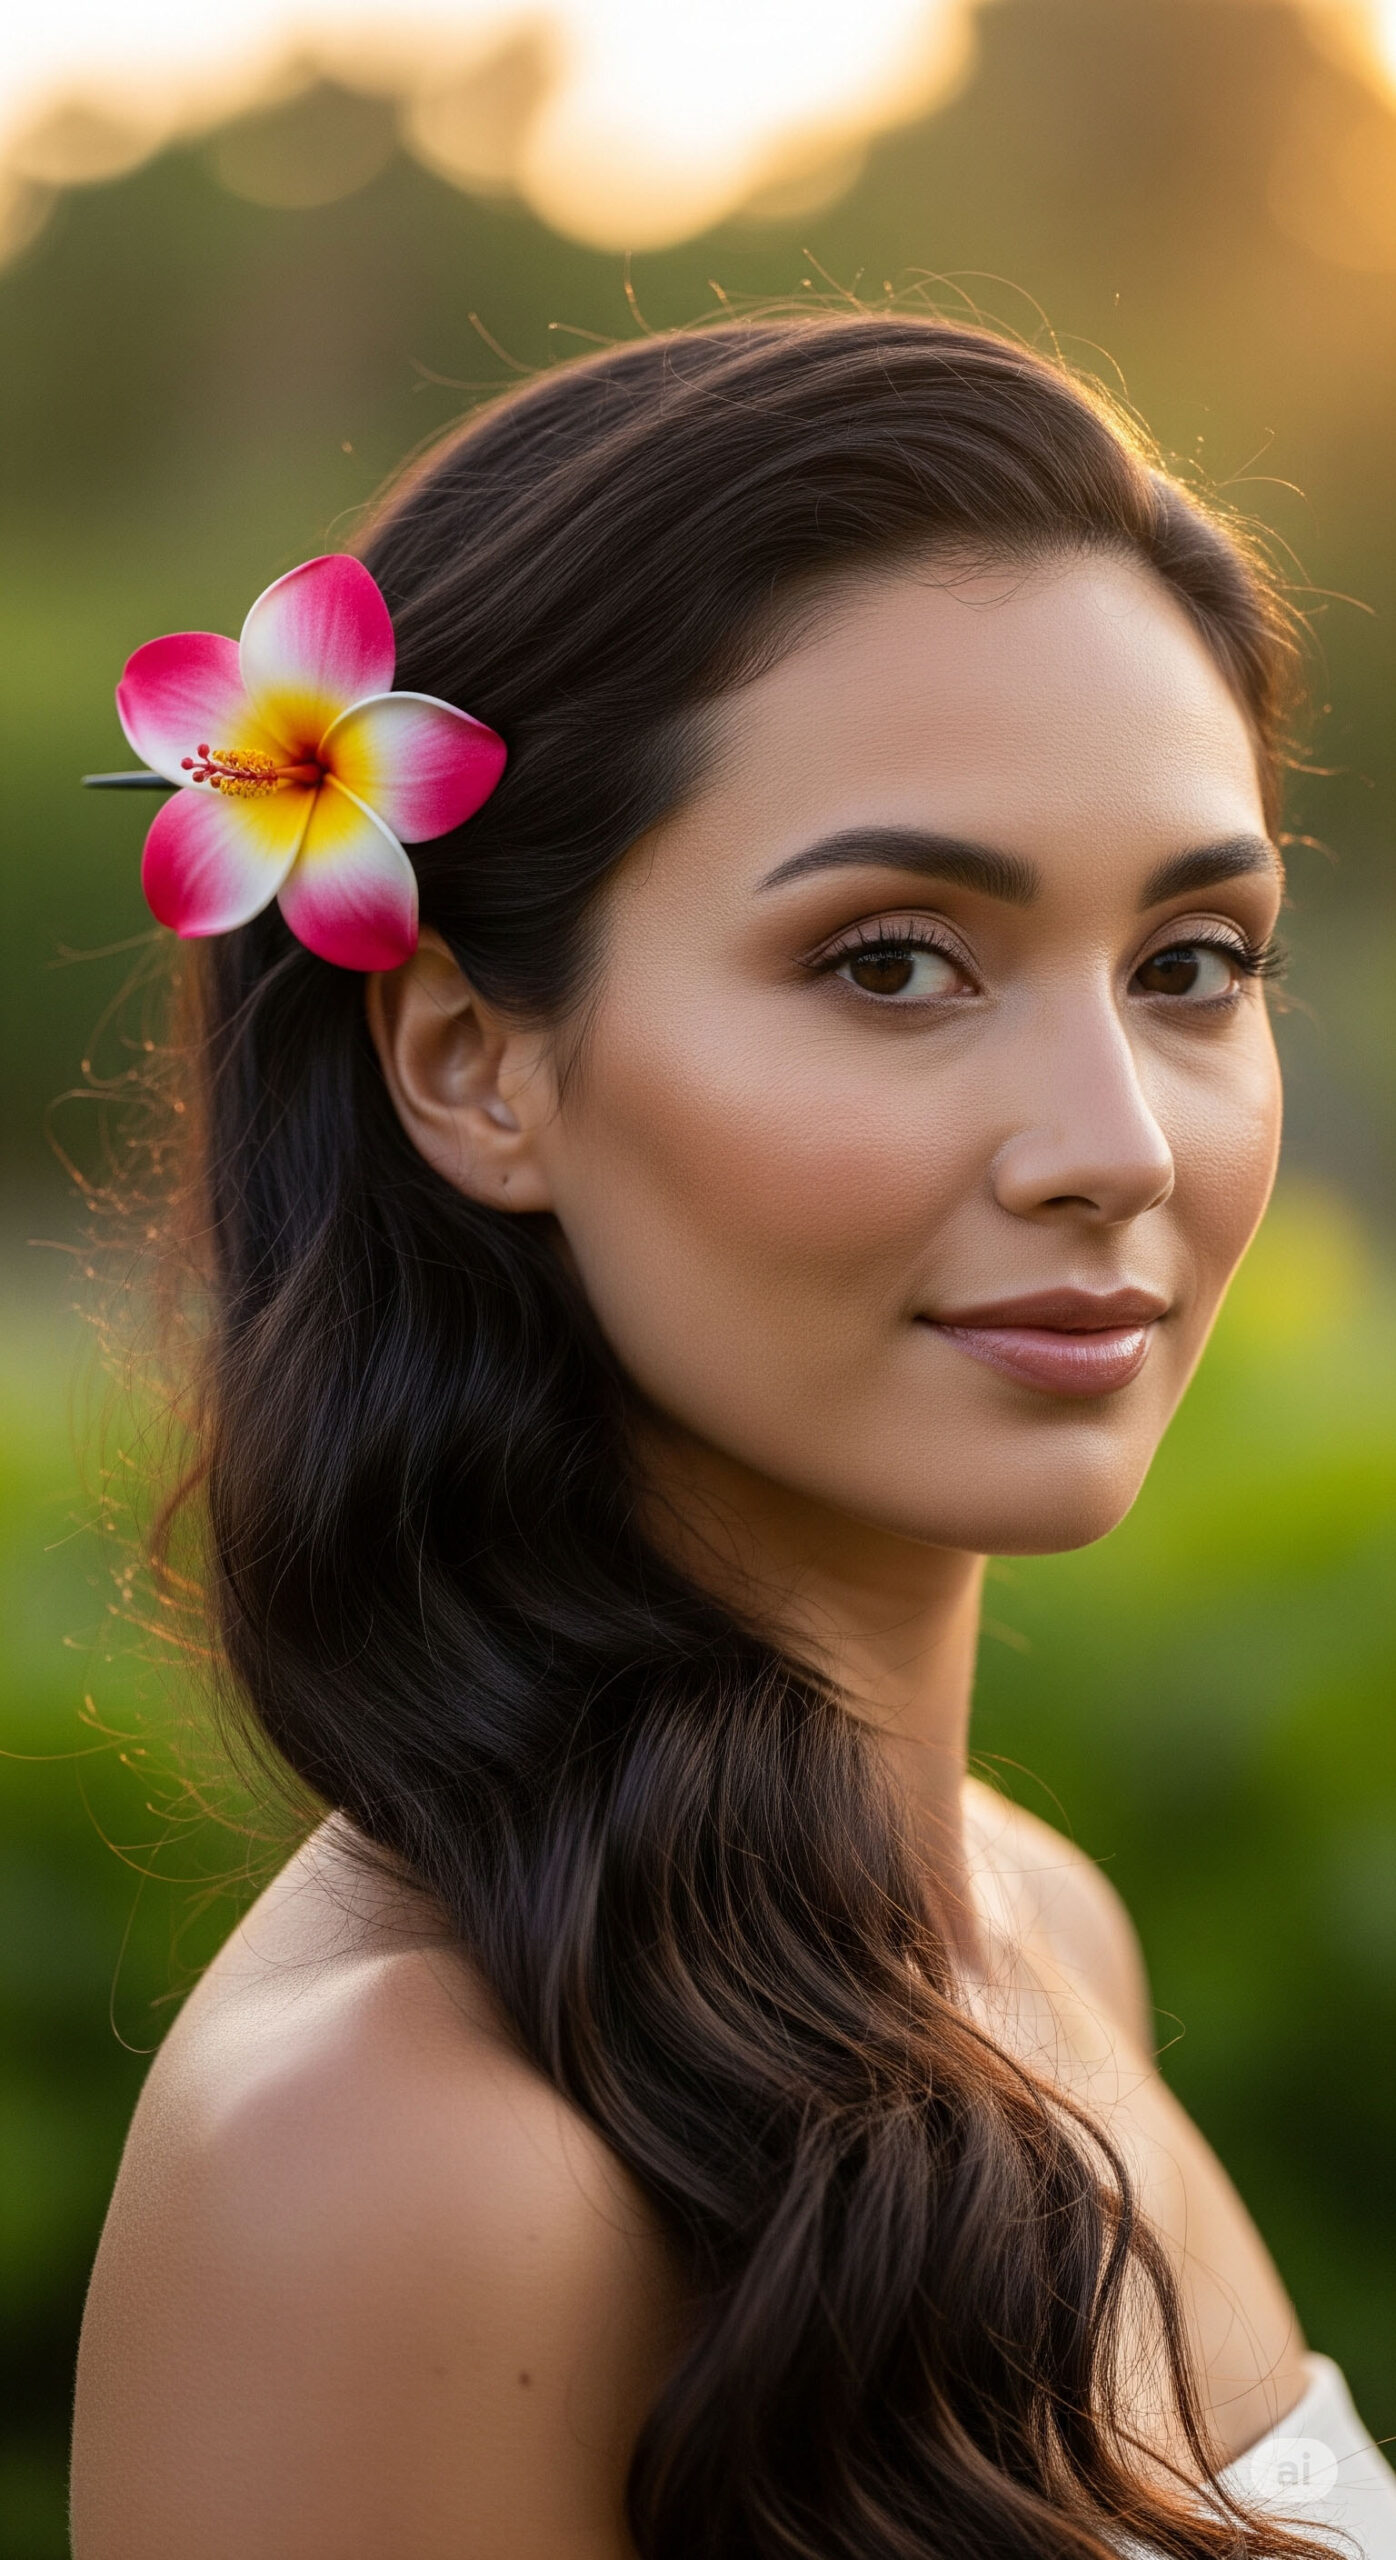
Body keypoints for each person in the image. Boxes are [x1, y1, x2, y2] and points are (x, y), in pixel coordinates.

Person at [69, 318, 1395, 2559]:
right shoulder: (400, 2166)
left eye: (1188, 959)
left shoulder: (1019, 1922)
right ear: (476, 1061)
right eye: (892, 960)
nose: (1113, 1147)